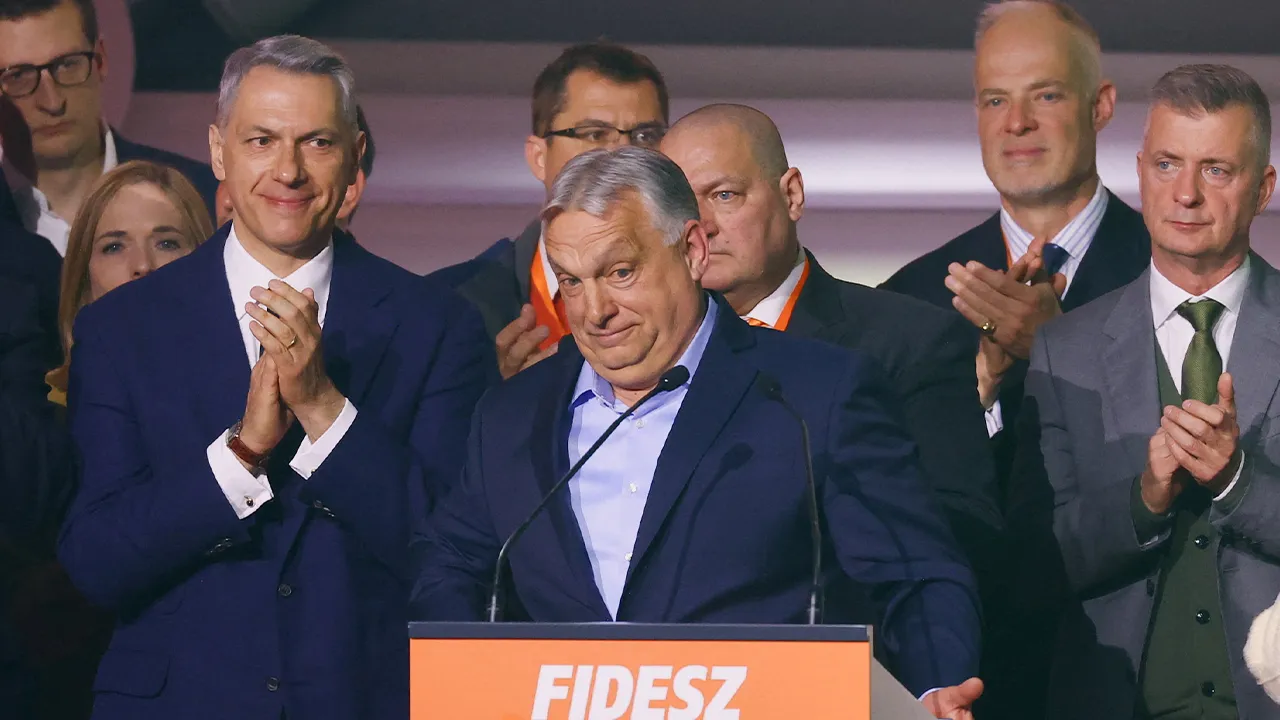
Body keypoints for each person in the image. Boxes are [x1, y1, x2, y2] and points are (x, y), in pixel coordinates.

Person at [411, 146, 985, 719]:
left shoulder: (811, 396)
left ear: (691, 250)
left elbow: (915, 575)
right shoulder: (512, 413)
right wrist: (466, 682)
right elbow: (451, 562)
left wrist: (931, 690)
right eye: (572, 282)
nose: (594, 311)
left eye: (619, 272)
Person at [57, 35, 493, 720]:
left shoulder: (439, 325)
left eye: (316, 142)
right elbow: (96, 562)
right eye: (261, 141)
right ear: (218, 151)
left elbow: (456, 556)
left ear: (354, 156)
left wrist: (324, 412)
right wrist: (240, 455)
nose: (287, 171)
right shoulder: (121, 330)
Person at [658, 102, 1004, 624]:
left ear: (791, 194)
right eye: (683, 205)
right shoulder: (646, 354)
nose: (702, 226)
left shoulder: (907, 341)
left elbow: (961, 528)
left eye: (724, 195)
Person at [1016, 64, 1280, 719]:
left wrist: (1237, 481)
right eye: (1167, 164)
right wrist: (1144, 499)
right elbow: (1033, 560)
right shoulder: (1064, 349)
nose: (1185, 194)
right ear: (1139, 172)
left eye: (1216, 170)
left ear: (1263, 188)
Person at [881, 0, 1149, 492]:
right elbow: (895, 493)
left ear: (1100, 106)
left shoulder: (1180, 274)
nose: (1017, 122)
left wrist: (1057, 349)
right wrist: (981, 389)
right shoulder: (908, 300)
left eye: (1046, 96)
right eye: (996, 101)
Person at [429, 40, 669, 379]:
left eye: (645, 136)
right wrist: (497, 399)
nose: (623, 155)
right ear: (539, 157)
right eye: (594, 134)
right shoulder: (450, 304)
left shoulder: (707, 293)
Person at [0, 0, 218, 256]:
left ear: (101, 60)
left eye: (68, 65)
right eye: (18, 76)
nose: (52, 102)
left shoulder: (210, 200)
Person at [44, 159, 212, 404]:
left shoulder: (251, 394)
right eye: (114, 247)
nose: (143, 265)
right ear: (83, 282)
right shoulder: (43, 414)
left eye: (167, 244)